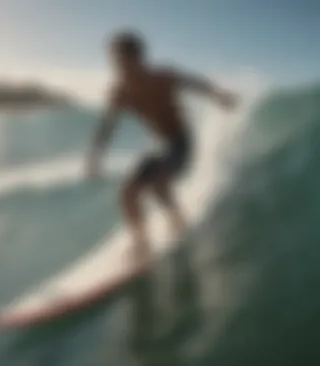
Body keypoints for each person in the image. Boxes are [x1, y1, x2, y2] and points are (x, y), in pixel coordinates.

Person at [86, 30, 237, 268]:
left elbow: (193, 83)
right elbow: (107, 125)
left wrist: (220, 96)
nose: (118, 67)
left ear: (138, 58)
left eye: (122, 61)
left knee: (158, 183)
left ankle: (178, 222)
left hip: (181, 142)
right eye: (114, 62)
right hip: (159, 145)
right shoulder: (120, 91)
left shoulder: (162, 77)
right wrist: (95, 157)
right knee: (127, 192)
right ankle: (141, 241)